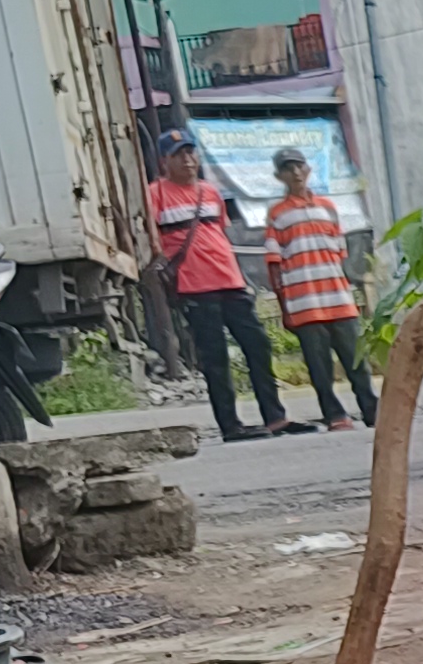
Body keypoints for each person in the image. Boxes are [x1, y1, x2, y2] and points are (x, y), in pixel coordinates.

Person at [150, 137, 290, 442]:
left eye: (191, 153)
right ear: (165, 161)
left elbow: (218, 233)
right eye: (179, 155)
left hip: (230, 281)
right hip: (193, 286)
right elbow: (151, 240)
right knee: (215, 357)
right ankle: (231, 425)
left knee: (258, 345)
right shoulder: (156, 194)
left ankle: (275, 417)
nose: (188, 160)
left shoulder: (210, 192)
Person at [261, 146, 375, 431]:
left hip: (338, 297)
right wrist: (283, 304)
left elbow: (340, 252)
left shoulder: (328, 208)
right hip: (304, 303)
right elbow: (274, 262)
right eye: (288, 168)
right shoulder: (277, 214)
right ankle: (334, 414)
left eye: (299, 166)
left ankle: (372, 410)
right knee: (319, 365)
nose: (296, 173)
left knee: (356, 360)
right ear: (279, 176)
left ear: (309, 170)